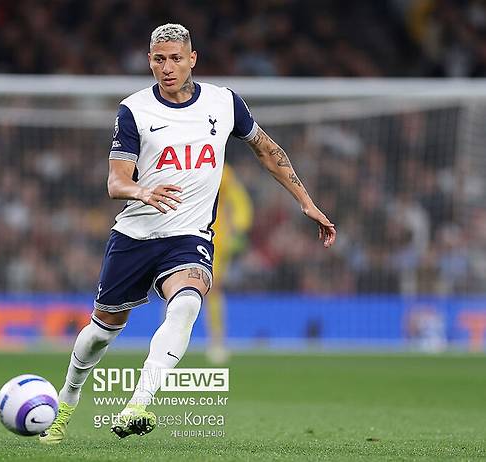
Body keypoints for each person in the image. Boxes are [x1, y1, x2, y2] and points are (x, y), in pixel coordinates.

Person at [39, 23, 336, 445]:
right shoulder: (134, 110)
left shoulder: (224, 102)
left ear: (192, 59)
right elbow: (115, 181)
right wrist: (142, 191)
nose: (168, 67)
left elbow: (267, 150)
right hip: (135, 235)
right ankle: (67, 400)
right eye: (159, 59)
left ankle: (138, 403)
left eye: (176, 58)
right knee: (102, 332)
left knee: (187, 304)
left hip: (189, 235)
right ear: (149, 61)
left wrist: (305, 201)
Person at [206, 164, 253, 364]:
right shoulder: (179, 162)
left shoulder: (222, 171)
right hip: (183, 233)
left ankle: (217, 341)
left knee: (213, 289)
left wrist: (239, 227)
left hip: (215, 238)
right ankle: (168, 338)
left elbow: (239, 200)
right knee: (174, 286)